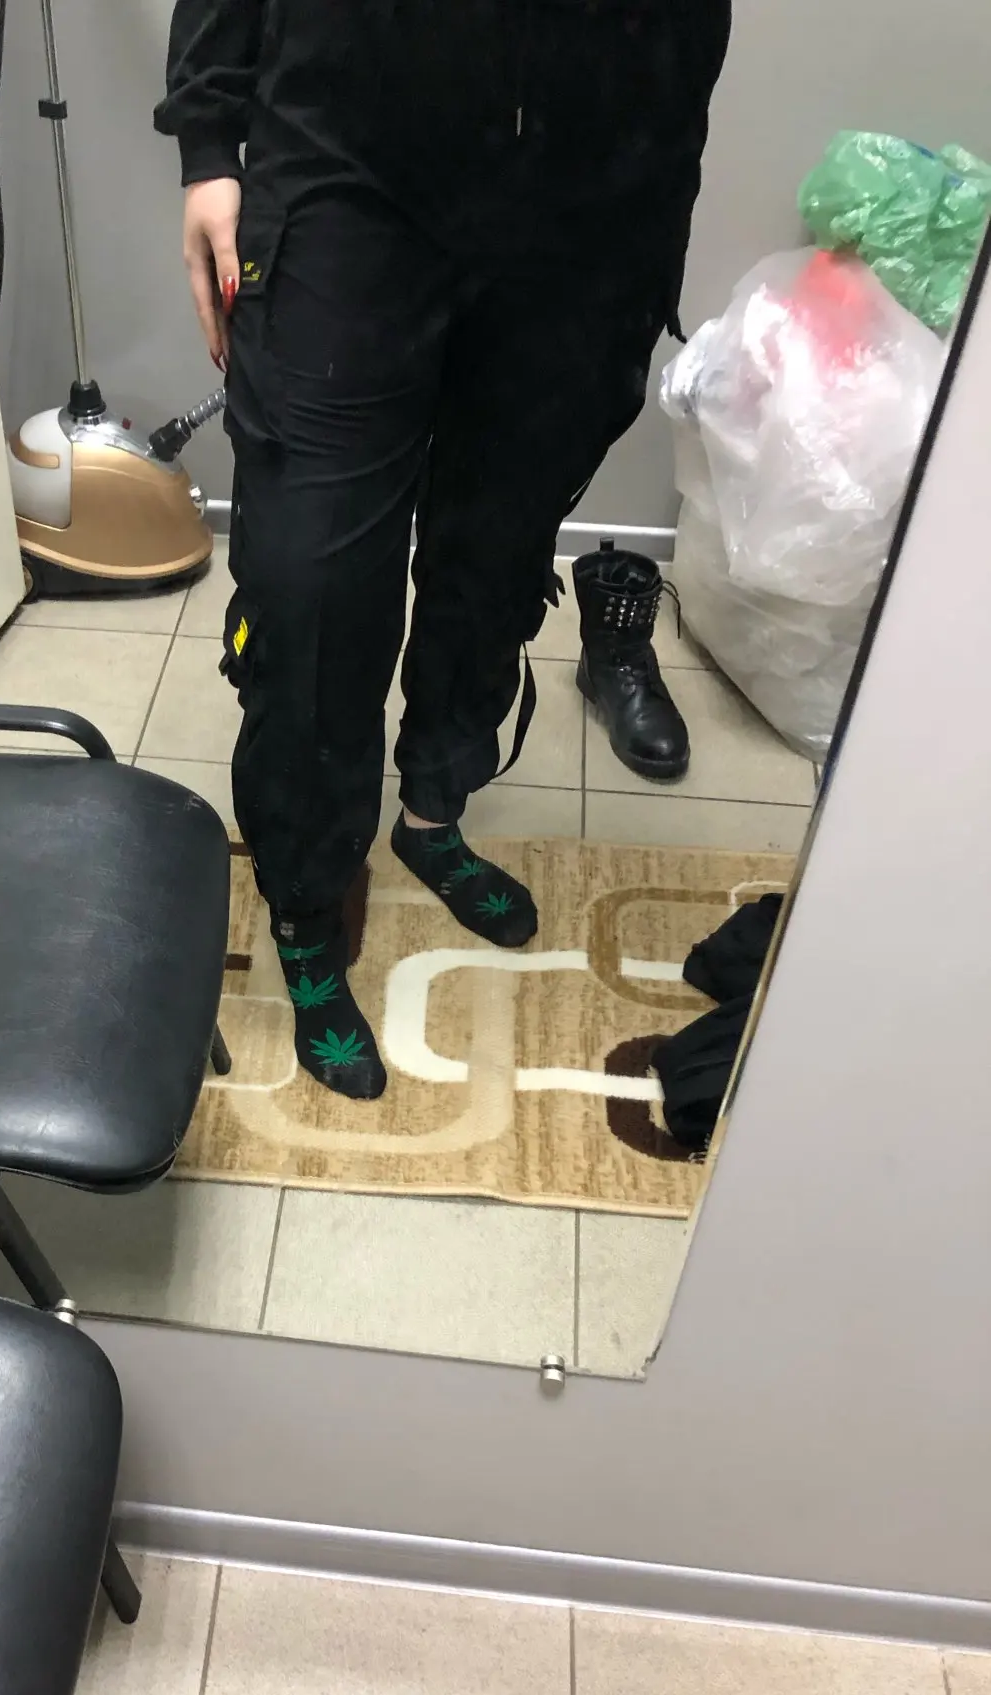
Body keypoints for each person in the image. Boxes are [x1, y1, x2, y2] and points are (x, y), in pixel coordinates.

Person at [156, 0, 731, 1099]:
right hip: (351, 143)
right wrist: (208, 146)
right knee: (313, 581)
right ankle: (307, 904)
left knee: (499, 545)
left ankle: (433, 809)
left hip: (601, 173)